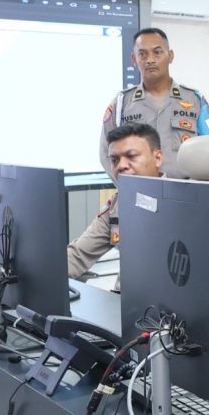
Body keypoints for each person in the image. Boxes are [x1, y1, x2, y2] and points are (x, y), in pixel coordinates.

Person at [99, 27, 209, 181]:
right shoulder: (121, 104)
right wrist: (127, 185)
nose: (150, 60)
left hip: (185, 191)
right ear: (134, 59)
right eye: (142, 54)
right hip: (139, 190)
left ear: (170, 56)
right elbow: (106, 153)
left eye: (157, 52)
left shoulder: (194, 100)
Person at [69, 122, 163, 291]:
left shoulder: (183, 204)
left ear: (157, 158)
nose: (121, 166)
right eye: (114, 160)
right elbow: (78, 255)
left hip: (168, 304)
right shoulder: (117, 205)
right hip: (123, 300)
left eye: (131, 156)